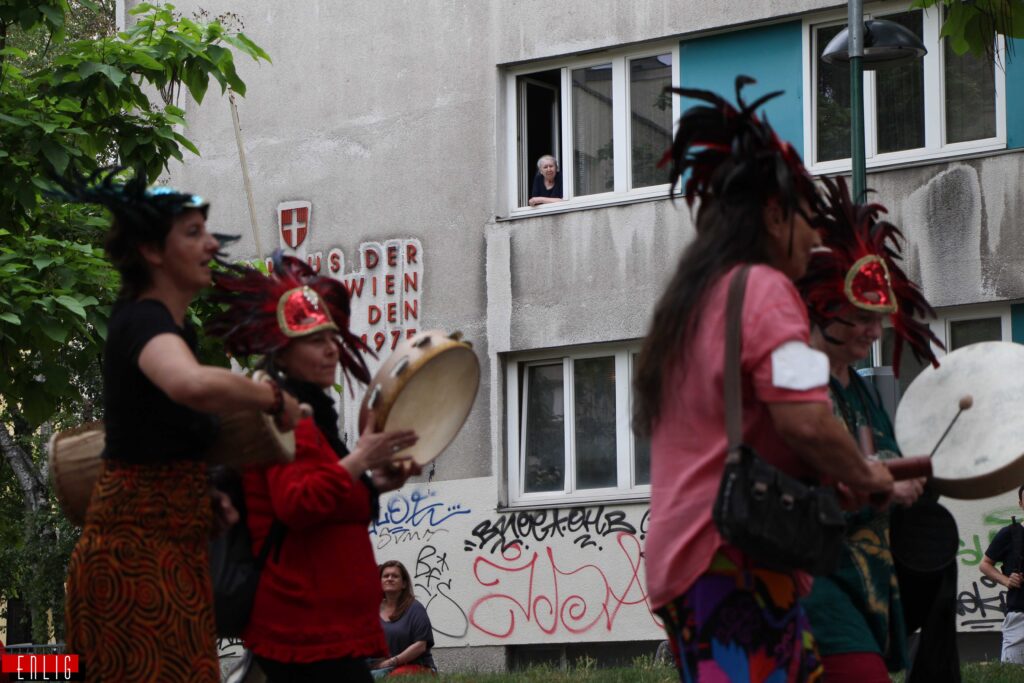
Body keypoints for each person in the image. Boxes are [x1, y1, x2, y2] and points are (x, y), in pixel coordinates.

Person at [632, 77, 894, 682]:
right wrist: (863, 472)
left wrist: (829, 471)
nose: (815, 239)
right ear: (774, 215)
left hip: (690, 557)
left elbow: (775, 419)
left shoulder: (696, 302)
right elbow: (805, 417)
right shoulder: (768, 290)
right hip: (731, 558)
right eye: (808, 220)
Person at [56, 171, 303, 682]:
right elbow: (189, 385)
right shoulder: (142, 320)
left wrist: (203, 497)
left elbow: (158, 443)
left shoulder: (173, 329)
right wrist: (269, 394)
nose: (212, 243)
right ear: (150, 249)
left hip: (169, 551)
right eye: (192, 232)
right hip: (132, 561)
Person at [209, 253, 420, 683]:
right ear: (282, 353)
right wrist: (360, 457)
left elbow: (327, 498)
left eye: (331, 337)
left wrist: (374, 482)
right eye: (313, 340)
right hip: (302, 628)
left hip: (324, 630)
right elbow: (297, 503)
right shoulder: (282, 417)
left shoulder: (314, 417)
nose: (330, 350)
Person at [798, 176, 941, 682]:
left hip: (871, 585)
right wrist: (882, 486)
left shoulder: (858, 391)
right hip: (812, 584)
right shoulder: (797, 389)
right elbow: (798, 494)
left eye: (879, 319)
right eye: (863, 317)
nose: (875, 332)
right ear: (826, 307)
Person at [979, 485, 1024, 664]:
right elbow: (985, 564)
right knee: (1011, 673)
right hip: (1020, 616)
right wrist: (1006, 580)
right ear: (1021, 504)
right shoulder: (1010, 534)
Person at [370, 560, 437, 678]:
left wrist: (391, 662)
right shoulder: (373, 610)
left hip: (417, 666)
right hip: (383, 667)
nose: (389, 578)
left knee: (386, 677)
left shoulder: (415, 608)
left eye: (395, 576)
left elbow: (421, 645)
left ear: (404, 584)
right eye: (385, 576)